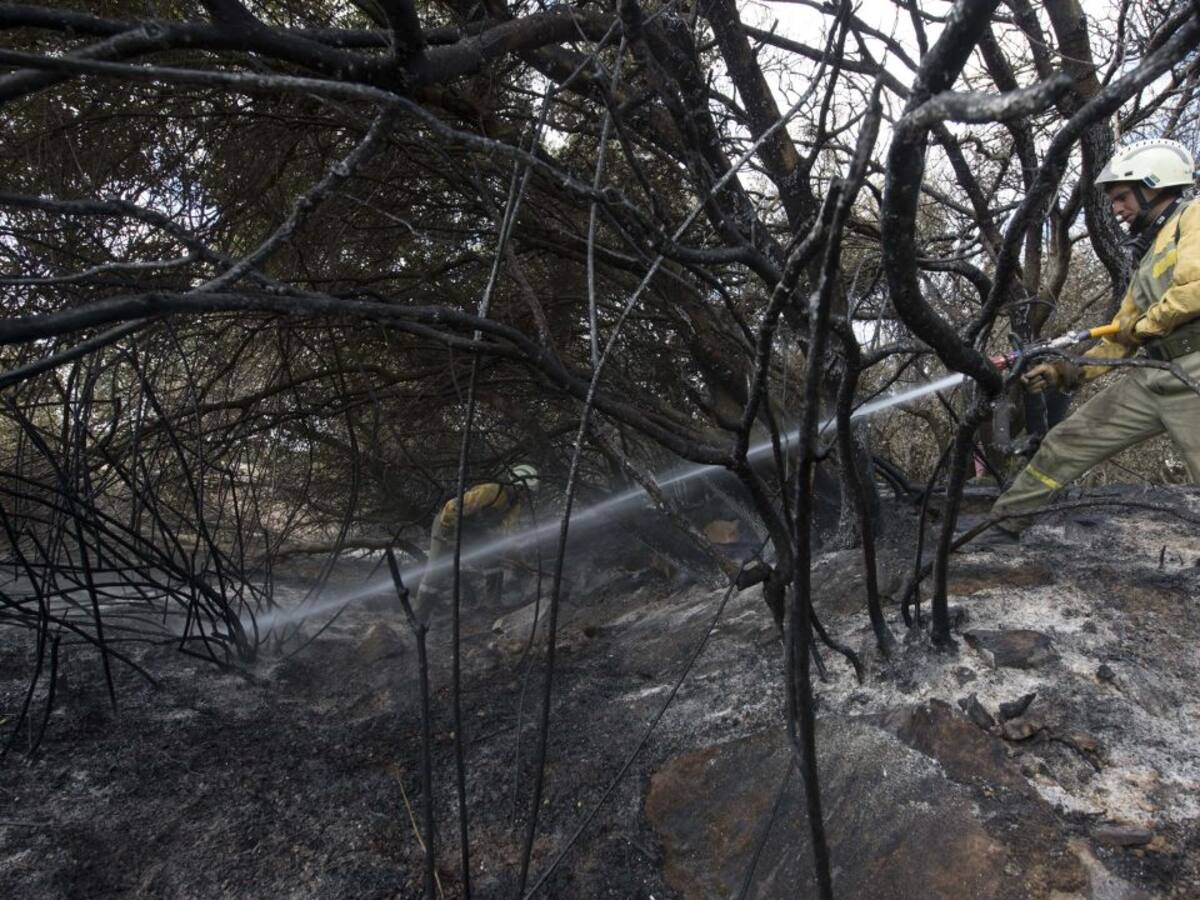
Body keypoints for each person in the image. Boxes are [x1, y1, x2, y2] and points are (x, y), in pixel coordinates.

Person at [986, 138, 1200, 539]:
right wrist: (1069, 370)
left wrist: (1144, 326)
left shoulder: (1194, 216)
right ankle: (1002, 525)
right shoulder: (1148, 255)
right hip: (1155, 375)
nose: (1116, 209)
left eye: (1122, 197)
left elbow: (1194, 291)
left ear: (1154, 184)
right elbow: (1120, 336)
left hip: (1194, 373)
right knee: (1067, 441)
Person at [412, 464, 539, 622]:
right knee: (435, 573)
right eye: (527, 492)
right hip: (447, 525)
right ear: (518, 486)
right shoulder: (492, 491)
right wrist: (449, 534)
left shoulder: (514, 505)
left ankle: (493, 606)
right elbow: (452, 507)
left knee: (493, 561)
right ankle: (418, 618)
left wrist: (520, 561)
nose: (528, 497)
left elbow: (508, 535)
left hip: (472, 531)